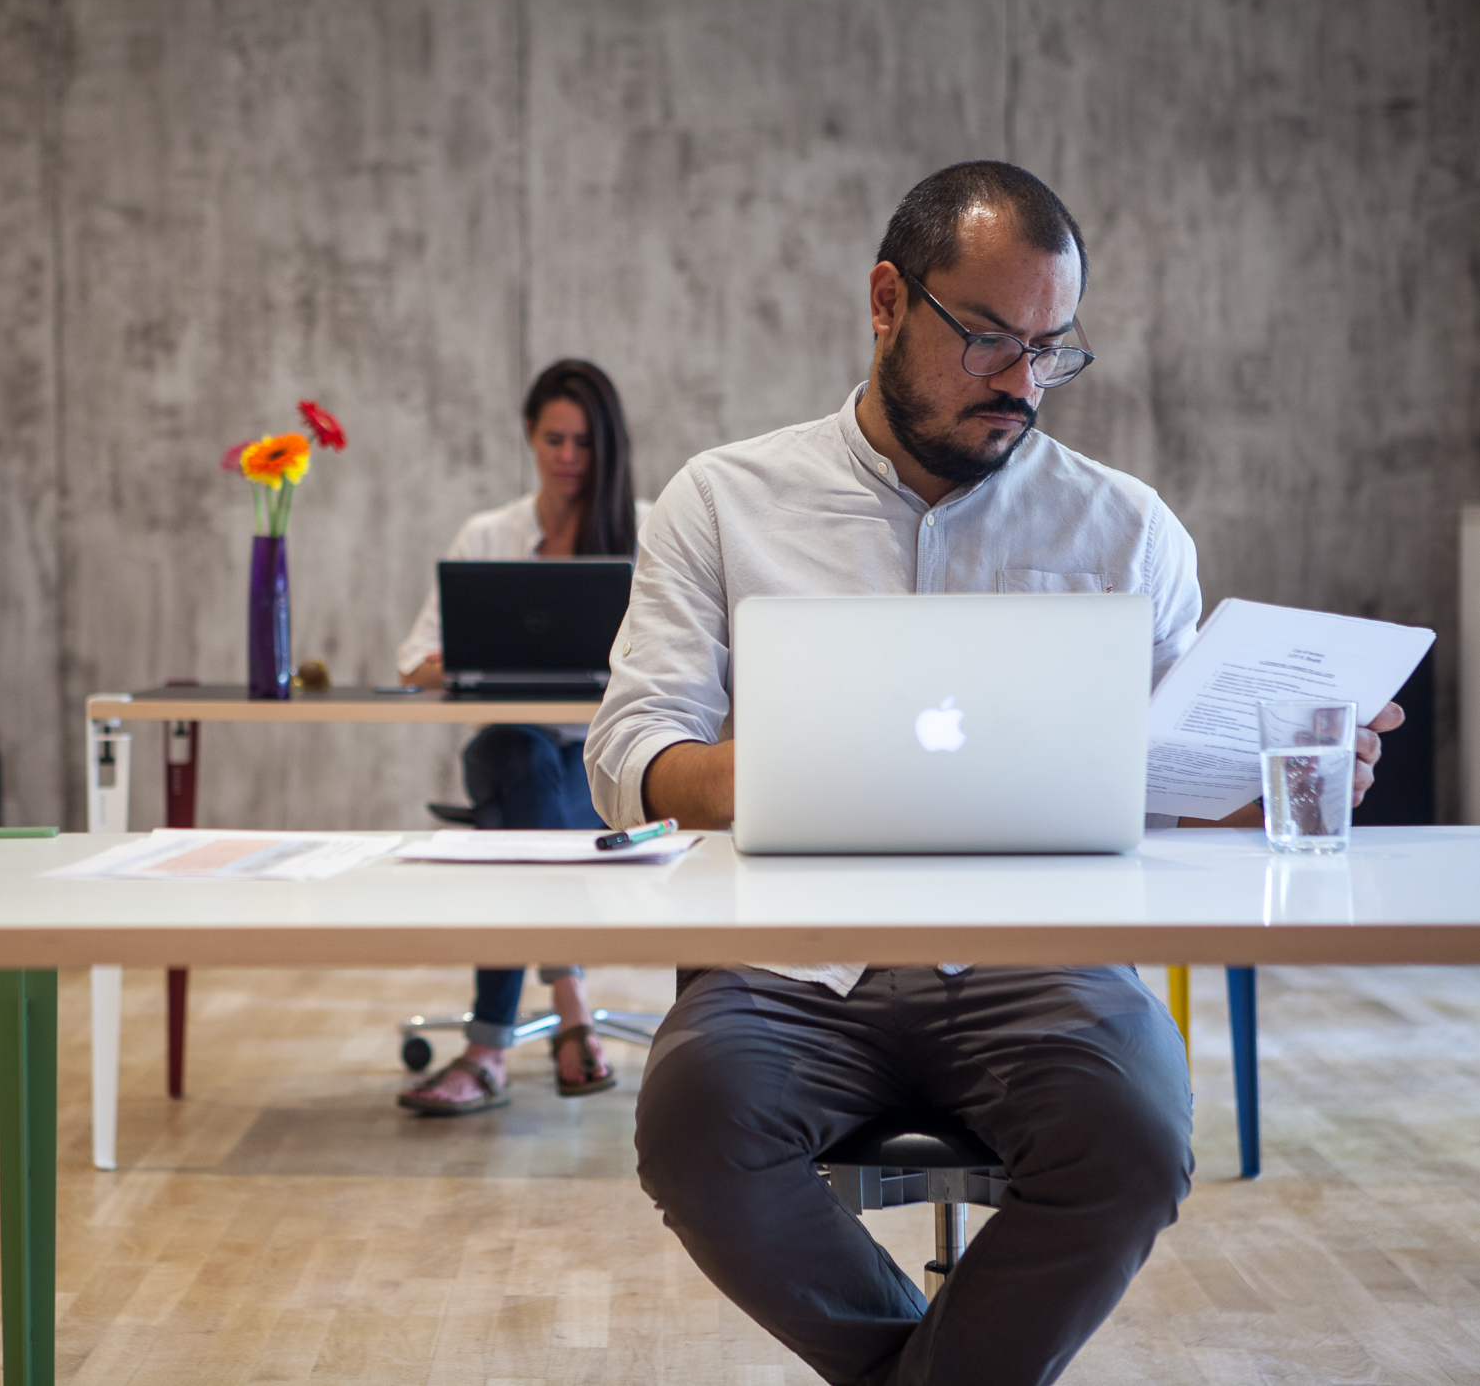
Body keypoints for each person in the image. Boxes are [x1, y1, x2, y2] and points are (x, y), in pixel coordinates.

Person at [587, 162, 1403, 1384]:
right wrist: (794, 768)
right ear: (886, 301)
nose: (1022, 381)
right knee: (696, 1128)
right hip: (794, 960)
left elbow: (1168, 783)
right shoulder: (723, 500)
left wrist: (1257, 785)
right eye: (987, 339)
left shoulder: (1125, 528)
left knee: (1135, 1141)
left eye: (1050, 348)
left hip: (1046, 957)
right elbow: (628, 757)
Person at [393, 359, 651, 1114]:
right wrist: (480, 657)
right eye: (553, 439)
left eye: (583, 442)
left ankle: (486, 1052)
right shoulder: (489, 535)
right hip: (509, 747)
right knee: (523, 755)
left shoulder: (648, 529)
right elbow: (413, 662)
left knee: (516, 814)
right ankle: (570, 1003)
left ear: (608, 445)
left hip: (601, 762)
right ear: (528, 436)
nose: (567, 457)